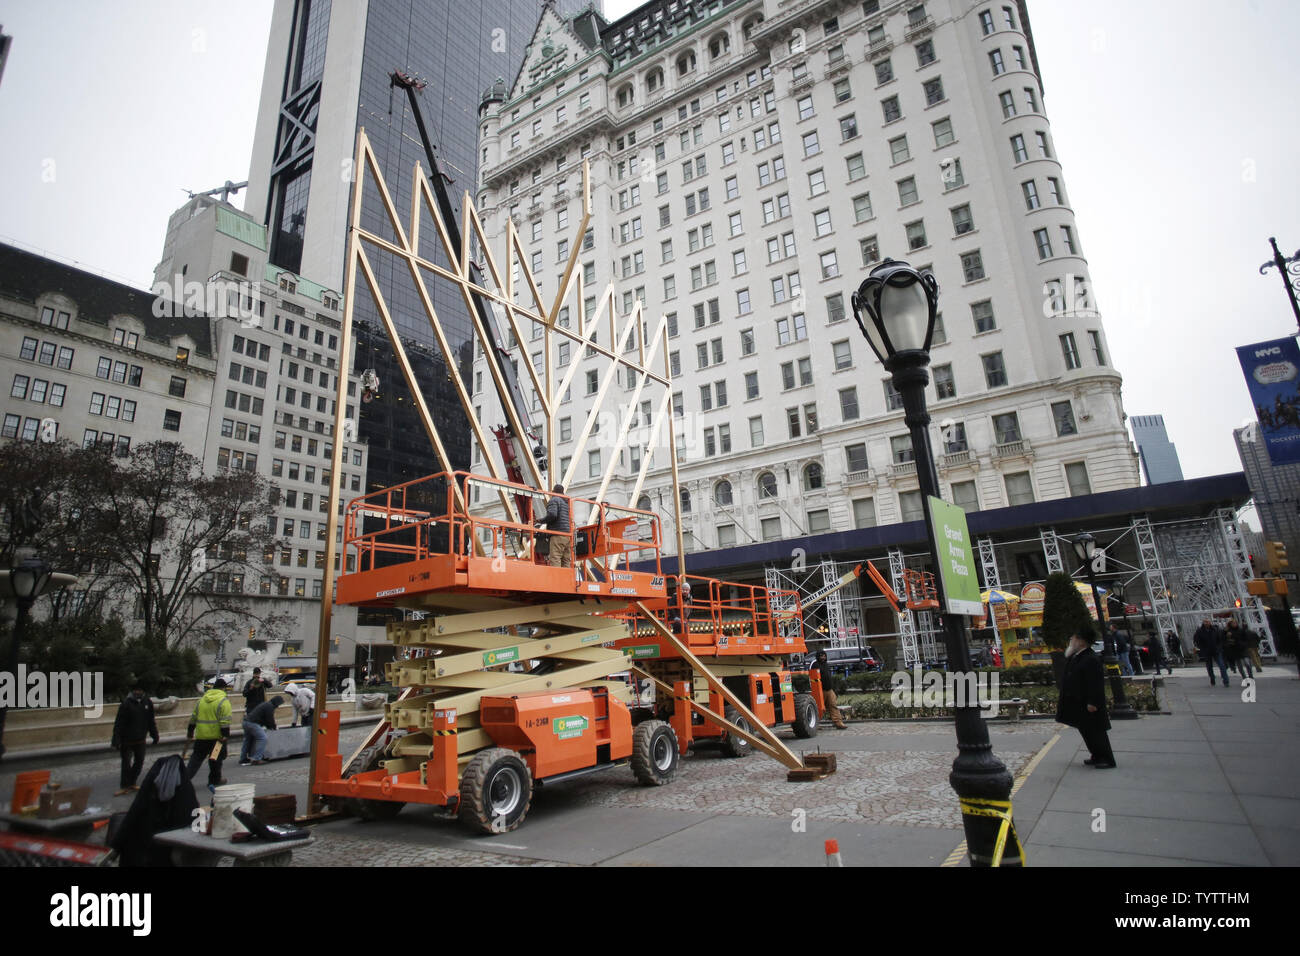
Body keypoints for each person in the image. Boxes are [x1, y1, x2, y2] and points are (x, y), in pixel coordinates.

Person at [1056, 630, 1115, 769]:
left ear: (1081, 641)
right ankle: (1096, 755)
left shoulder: (1090, 658)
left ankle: (1106, 758)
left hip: (1088, 703)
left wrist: (1093, 702)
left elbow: (1095, 684)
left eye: (1074, 637)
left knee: (1096, 732)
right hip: (1078, 702)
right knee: (1087, 731)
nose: (1071, 639)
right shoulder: (1077, 656)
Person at [185, 678, 232, 792]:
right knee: (215, 759)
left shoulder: (201, 700)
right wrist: (225, 735)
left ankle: (183, 780)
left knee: (195, 760)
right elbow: (224, 721)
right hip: (217, 739)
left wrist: (190, 732)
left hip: (201, 737)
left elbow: (193, 718)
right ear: (223, 688)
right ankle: (214, 780)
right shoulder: (223, 701)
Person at [111, 685, 160, 795]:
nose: (138, 692)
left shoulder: (147, 702)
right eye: (136, 690)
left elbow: (151, 721)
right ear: (132, 691)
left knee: (139, 762)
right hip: (127, 740)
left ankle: (132, 782)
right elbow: (119, 723)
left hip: (140, 739)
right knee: (126, 763)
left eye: (140, 690)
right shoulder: (126, 704)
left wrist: (155, 735)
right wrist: (116, 740)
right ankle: (124, 785)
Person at [535, 483, 572, 567]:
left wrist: (541, 521)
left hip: (557, 534)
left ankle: (557, 578)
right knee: (566, 559)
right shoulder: (567, 503)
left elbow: (552, 514)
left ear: (553, 492)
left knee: (555, 557)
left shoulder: (554, 500)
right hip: (567, 534)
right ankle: (565, 579)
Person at [239, 695, 283, 765]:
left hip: (246, 722)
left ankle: (243, 758)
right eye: (279, 704)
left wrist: (269, 725)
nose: (278, 706)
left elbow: (265, 719)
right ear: (276, 702)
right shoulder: (270, 706)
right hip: (252, 723)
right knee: (263, 738)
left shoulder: (266, 704)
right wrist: (273, 727)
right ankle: (256, 759)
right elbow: (269, 719)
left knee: (247, 740)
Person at [813, 650, 847, 729]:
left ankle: (838, 722)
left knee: (833, 705)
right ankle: (815, 724)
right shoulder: (815, 665)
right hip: (820, 690)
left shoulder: (826, 664)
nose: (823, 657)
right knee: (819, 707)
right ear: (818, 656)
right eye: (821, 656)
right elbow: (813, 677)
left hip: (829, 689)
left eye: (824, 656)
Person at [1193, 618, 1229, 686]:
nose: (1207, 623)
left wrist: (1219, 647)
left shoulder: (1215, 630)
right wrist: (1202, 648)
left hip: (1216, 650)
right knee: (1209, 666)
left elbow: (1220, 639)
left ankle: (1225, 680)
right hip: (1207, 651)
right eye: (1205, 622)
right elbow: (1197, 640)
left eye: (1208, 622)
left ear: (1210, 622)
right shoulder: (1199, 631)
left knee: (1222, 665)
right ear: (1203, 623)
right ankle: (1212, 677)